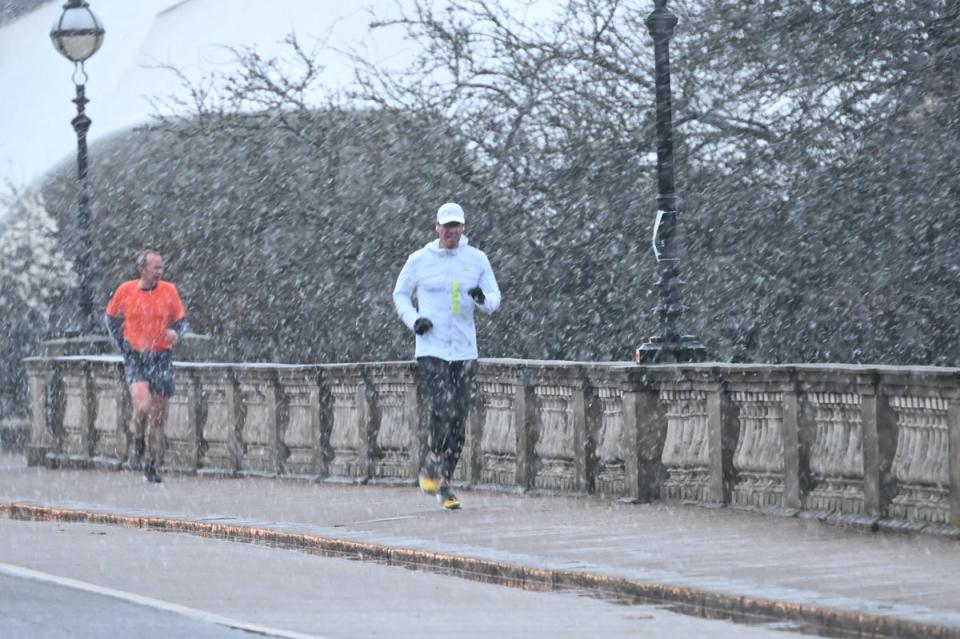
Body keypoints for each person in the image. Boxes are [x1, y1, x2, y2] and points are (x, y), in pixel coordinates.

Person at [393, 202, 501, 509]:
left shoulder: (477, 259)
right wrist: (414, 320)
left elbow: (494, 296)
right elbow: (399, 293)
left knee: (460, 418)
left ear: (463, 228)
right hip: (432, 346)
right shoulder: (419, 260)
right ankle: (434, 457)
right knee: (443, 404)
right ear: (436, 227)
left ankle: (445, 484)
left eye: (457, 227)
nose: (452, 232)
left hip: (465, 349)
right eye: (447, 226)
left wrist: (483, 300)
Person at [104, 249, 188, 483]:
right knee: (142, 405)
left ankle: (151, 463)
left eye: (161, 267)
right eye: (155, 268)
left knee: (158, 417)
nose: (159, 272)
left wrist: (176, 333)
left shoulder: (169, 291)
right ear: (142, 269)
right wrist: (121, 344)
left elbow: (182, 320)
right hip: (136, 356)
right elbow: (110, 317)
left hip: (161, 355)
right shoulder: (126, 290)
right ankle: (138, 442)